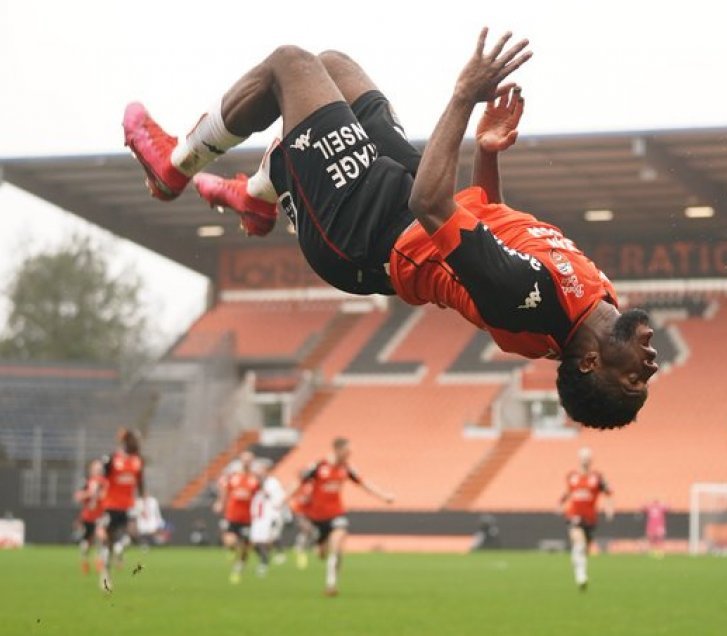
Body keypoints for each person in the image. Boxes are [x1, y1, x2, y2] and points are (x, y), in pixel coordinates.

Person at [123, 28, 658, 431]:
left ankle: (175, 168)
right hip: (404, 200)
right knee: (333, 65)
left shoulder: (531, 301)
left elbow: (432, 203)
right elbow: (489, 222)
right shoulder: (594, 297)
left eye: (634, 377)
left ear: (590, 362)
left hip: (371, 231)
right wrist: (488, 152)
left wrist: (463, 97)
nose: (651, 366)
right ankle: (256, 200)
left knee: (292, 66)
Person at [287, 437, 394, 596]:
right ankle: (320, 545)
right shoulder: (319, 466)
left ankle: (331, 585)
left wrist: (383, 495)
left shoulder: (347, 468)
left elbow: (363, 483)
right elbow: (300, 482)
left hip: (336, 514)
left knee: (337, 544)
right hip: (316, 517)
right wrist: (283, 498)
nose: (349, 454)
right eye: (347, 450)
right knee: (322, 554)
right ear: (337, 450)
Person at [558, 447, 613, 591]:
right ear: (579, 459)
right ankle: (581, 576)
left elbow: (608, 492)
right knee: (579, 541)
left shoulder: (597, 477)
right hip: (574, 515)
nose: (585, 460)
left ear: (591, 460)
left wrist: (609, 508)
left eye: (588, 457)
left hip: (590, 518)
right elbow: (567, 492)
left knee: (585, 549)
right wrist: (560, 502)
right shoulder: (572, 476)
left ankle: (577, 563)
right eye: (583, 457)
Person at [99, 429, 145, 590]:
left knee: (133, 533)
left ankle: (120, 548)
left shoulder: (137, 461)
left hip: (128, 505)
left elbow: (140, 483)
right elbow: (102, 478)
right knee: (108, 541)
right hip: (111, 505)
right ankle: (105, 575)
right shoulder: (112, 459)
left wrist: (143, 502)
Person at [214, 451, 261, 584]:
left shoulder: (255, 478)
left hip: (248, 518)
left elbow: (260, 496)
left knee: (246, 547)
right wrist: (220, 503)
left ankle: (240, 565)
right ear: (241, 461)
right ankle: (232, 551)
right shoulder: (233, 477)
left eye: (249, 460)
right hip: (232, 515)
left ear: (252, 462)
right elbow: (224, 490)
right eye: (244, 460)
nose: (246, 462)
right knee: (230, 541)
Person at [249, 459, 288, 576]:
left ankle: (265, 562)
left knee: (266, 540)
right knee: (255, 542)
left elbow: (279, 499)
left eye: (261, 469)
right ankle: (270, 556)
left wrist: (277, 515)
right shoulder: (256, 483)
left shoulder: (272, 483)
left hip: (268, 517)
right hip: (258, 518)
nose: (258, 472)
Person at [73, 459, 107, 576]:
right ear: (91, 469)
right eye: (95, 467)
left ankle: (99, 561)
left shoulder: (105, 482)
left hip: (101, 516)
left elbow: (107, 495)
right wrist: (89, 493)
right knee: (86, 543)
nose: (98, 469)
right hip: (88, 517)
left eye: (99, 467)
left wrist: (100, 495)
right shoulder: (86, 482)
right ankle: (85, 561)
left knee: (101, 537)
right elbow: (77, 496)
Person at [288, 474, 315, 570]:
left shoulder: (313, 486)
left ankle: (300, 546)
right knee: (306, 529)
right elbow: (291, 496)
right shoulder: (299, 485)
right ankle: (300, 549)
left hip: (309, 513)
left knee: (310, 531)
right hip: (299, 512)